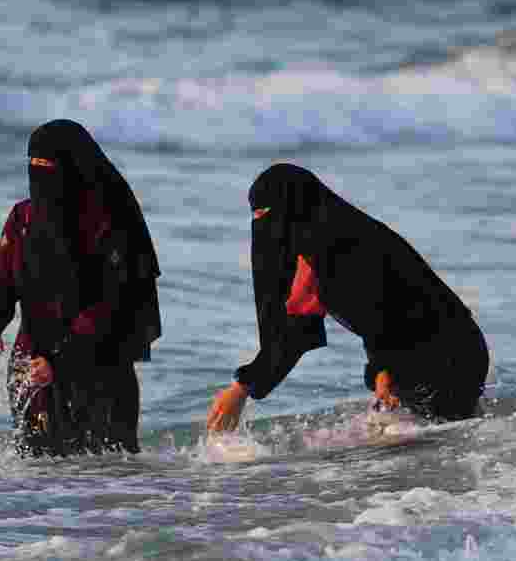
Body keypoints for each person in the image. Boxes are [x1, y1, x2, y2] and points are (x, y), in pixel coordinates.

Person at [207, 163, 488, 432]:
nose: (263, 226)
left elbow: (384, 309)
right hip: (415, 354)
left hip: (448, 354)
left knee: (417, 455)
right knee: (418, 444)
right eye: (256, 217)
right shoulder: (312, 251)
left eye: (268, 213)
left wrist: (383, 370)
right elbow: (295, 333)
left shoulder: (347, 245)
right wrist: (242, 388)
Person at [0, 119, 162, 457]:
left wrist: (62, 360)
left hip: (100, 374)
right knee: (38, 491)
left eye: (49, 166)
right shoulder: (23, 218)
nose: (40, 176)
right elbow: (2, 281)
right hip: (32, 374)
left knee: (110, 489)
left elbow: (113, 305)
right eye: (33, 165)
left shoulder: (110, 222)